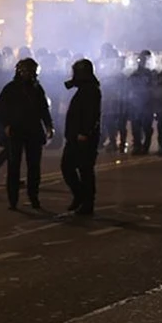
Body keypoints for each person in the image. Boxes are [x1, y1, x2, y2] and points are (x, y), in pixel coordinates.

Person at [0, 57, 54, 210]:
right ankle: (13, 200)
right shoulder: (11, 88)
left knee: (34, 168)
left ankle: (34, 197)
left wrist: (49, 126)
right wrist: (6, 125)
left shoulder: (37, 88)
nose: (29, 74)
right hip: (16, 131)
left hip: (33, 131)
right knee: (14, 167)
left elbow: (43, 109)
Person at [61, 59, 101, 216]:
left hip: (84, 138)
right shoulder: (84, 89)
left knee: (85, 171)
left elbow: (92, 114)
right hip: (74, 137)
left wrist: (85, 132)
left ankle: (87, 203)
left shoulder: (91, 90)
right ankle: (80, 196)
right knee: (67, 167)